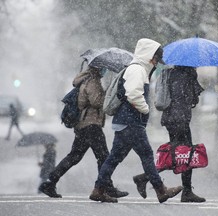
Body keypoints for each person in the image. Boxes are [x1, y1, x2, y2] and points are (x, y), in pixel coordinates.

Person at [89, 38, 183, 203]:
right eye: (155, 59)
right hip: (131, 122)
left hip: (125, 122)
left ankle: (99, 189)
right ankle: (161, 190)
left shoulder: (138, 70)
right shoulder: (137, 70)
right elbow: (133, 94)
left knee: (114, 158)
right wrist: (145, 109)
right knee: (146, 154)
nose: (156, 63)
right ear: (148, 56)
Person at [39, 66, 128, 198]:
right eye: (103, 69)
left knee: (75, 156)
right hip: (90, 125)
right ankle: (105, 188)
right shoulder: (93, 81)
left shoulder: (86, 79)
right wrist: (107, 95)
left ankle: (50, 182)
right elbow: (96, 102)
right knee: (103, 156)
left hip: (83, 125)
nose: (105, 71)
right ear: (98, 69)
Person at [133, 66, 206, 203]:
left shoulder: (170, 73)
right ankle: (186, 191)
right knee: (186, 154)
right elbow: (189, 99)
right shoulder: (187, 74)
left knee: (176, 154)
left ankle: (146, 177)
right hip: (180, 120)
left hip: (170, 118)